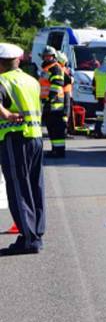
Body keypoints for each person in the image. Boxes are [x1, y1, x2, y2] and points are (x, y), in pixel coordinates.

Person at [0, 43, 45, 255]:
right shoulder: (31, 81)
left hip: (14, 138)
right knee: (35, 186)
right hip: (35, 137)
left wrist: (7, 114)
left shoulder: (3, 80)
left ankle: (28, 239)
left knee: (18, 187)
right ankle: (35, 233)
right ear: (18, 60)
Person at [38, 46, 66, 158]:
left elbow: (57, 83)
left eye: (48, 56)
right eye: (45, 56)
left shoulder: (55, 68)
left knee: (57, 130)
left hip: (55, 104)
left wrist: (50, 98)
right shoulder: (46, 68)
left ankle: (59, 151)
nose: (46, 57)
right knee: (51, 129)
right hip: (48, 104)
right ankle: (55, 150)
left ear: (53, 56)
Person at [92, 54, 106, 137]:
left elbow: (93, 84)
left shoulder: (97, 70)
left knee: (99, 115)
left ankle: (97, 130)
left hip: (99, 96)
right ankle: (104, 132)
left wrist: (95, 94)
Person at [56, 51, 74, 132]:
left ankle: (63, 128)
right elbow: (69, 80)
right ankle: (64, 129)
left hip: (62, 92)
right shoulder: (61, 69)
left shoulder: (58, 68)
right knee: (65, 113)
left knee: (63, 112)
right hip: (65, 92)